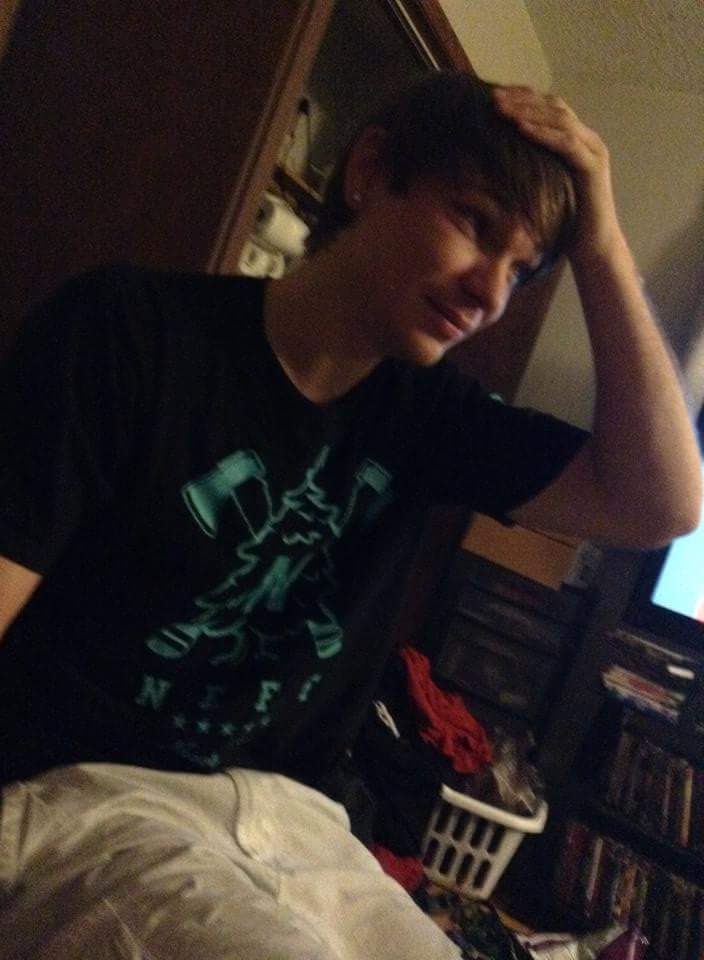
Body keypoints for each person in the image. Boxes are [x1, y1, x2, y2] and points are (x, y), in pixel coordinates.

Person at [0, 71, 700, 958]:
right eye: (476, 224)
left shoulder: (428, 415)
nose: (491, 292)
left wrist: (600, 242)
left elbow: (662, 504)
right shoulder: (128, 332)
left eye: (523, 270)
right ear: (369, 171)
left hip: (298, 826)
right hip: (87, 801)